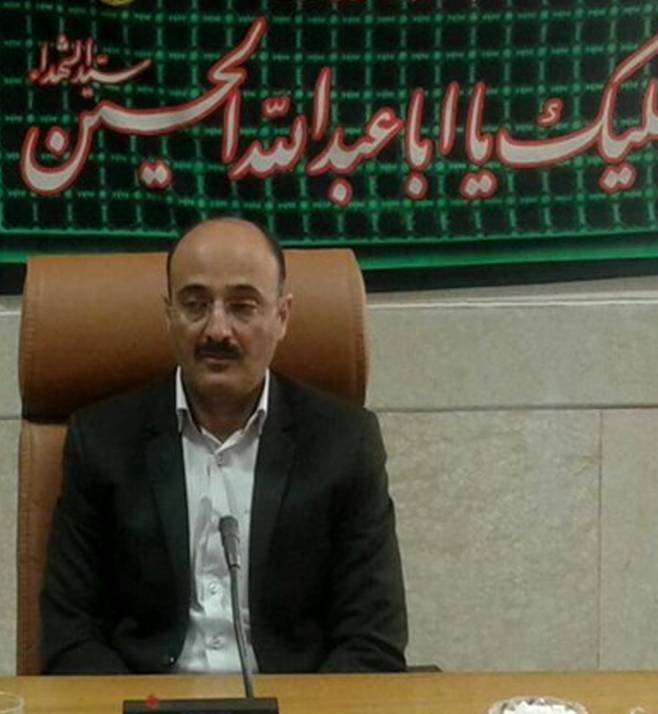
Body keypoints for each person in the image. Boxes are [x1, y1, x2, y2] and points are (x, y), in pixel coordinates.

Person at [40, 217, 407, 674]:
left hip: (294, 706)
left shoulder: (344, 442)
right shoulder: (102, 441)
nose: (217, 330)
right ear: (168, 315)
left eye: (242, 307)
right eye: (195, 305)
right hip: (146, 704)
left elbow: (373, 639)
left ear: (282, 317)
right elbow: (69, 634)